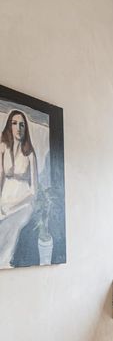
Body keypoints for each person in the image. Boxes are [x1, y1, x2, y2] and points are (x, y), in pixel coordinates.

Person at [0, 110, 38, 267]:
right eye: (14, 123)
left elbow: (34, 190)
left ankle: (4, 262)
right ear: (9, 125)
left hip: (24, 203)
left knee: (11, 225)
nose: (18, 128)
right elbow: (0, 177)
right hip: (4, 201)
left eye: (22, 124)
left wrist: (13, 206)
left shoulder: (30, 153)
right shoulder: (2, 147)